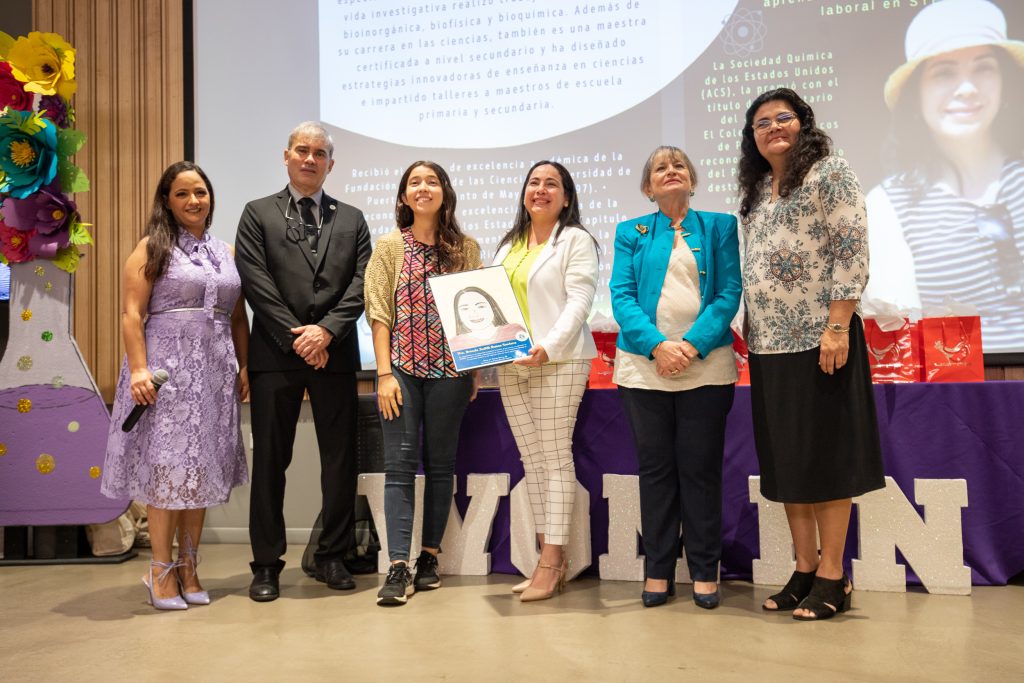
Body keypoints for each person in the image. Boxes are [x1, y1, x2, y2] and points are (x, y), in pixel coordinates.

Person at [737, 88, 886, 621]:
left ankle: (833, 574)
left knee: (825, 460)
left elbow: (851, 246)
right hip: (768, 345)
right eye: (762, 123)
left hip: (821, 339)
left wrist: (839, 325)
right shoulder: (757, 189)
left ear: (803, 123)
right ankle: (803, 567)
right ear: (752, 137)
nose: (774, 128)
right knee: (788, 463)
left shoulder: (829, 171)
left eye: (784, 118)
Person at [101, 161, 249, 610]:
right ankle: (160, 570)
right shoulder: (151, 247)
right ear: (167, 200)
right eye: (182, 193)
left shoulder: (224, 251)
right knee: (169, 472)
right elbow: (131, 313)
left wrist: (244, 366)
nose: (193, 201)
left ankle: (189, 567)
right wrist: (140, 370)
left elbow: (238, 316)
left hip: (215, 377)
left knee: (200, 472)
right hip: (166, 376)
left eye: (200, 192)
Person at [235, 121, 372, 602]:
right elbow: (255, 281)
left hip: (334, 355)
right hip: (275, 354)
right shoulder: (256, 214)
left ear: (331, 164)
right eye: (302, 150)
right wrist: (298, 337)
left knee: (339, 460)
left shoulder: (352, 218)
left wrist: (326, 331)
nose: (310, 159)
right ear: (286, 156)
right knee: (272, 461)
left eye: (319, 153)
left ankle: (332, 556)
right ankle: (267, 565)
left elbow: (361, 284)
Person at [609, 146, 741, 610]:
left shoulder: (720, 226)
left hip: (706, 367)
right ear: (648, 187)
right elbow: (621, 297)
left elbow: (728, 293)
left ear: (692, 178)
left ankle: (705, 570)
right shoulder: (631, 232)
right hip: (644, 371)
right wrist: (658, 346)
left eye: (679, 165)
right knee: (656, 473)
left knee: (700, 471)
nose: (670, 171)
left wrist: (689, 345)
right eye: (660, 168)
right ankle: (658, 569)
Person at [866, 0, 1024, 352]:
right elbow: (896, 333)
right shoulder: (888, 205)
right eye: (944, 73)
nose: (967, 88)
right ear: (916, 95)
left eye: (984, 68)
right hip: (954, 395)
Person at [363, 161, 480, 606]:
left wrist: (474, 371)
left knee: (441, 465)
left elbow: (476, 313)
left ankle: (429, 556)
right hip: (403, 373)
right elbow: (378, 313)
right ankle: (397, 566)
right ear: (404, 196)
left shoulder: (465, 248)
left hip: (451, 373)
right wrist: (384, 373)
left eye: (432, 181)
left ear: (444, 192)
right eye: (415, 182)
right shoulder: (390, 247)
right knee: (399, 467)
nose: (423, 188)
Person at [492, 160, 599, 603]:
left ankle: (553, 562)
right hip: (510, 365)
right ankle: (545, 557)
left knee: (554, 460)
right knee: (531, 460)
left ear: (566, 197)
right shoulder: (508, 246)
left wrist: (548, 347)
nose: (540, 190)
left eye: (551, 184)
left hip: (559, 361)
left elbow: (580, 302)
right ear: (523, 194)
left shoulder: (575, 240)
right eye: (533, 183)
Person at [448, 286, 528, 351]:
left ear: (493, 308)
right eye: (465, 309)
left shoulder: (514, 330)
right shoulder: (455, 344)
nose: (474, 313)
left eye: (481, 306)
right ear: (458, 314)